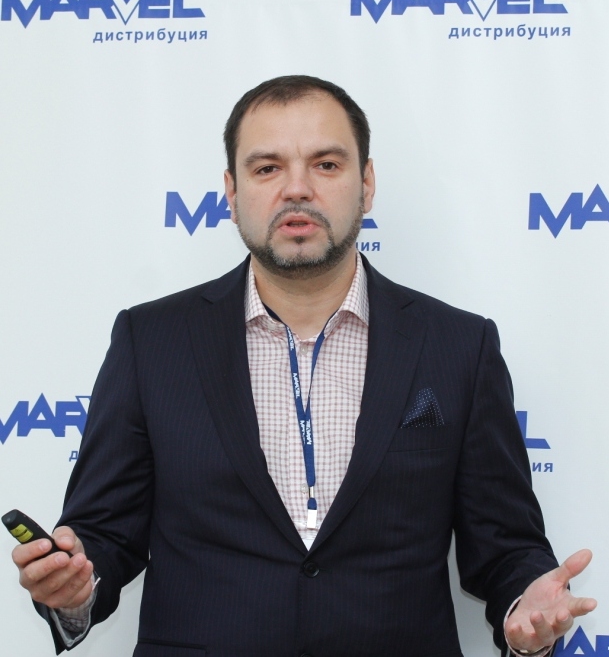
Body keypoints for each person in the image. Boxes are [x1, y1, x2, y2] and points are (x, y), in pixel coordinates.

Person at [12, 76, 596, 657]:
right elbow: (105, 534)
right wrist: (73, 587)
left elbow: (504, 545)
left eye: (326, 165)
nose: (297, 189)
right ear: (231, 191)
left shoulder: (459, 346)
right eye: (267, 168)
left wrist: (525, 607)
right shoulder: (151, 341)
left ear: (366, 184)